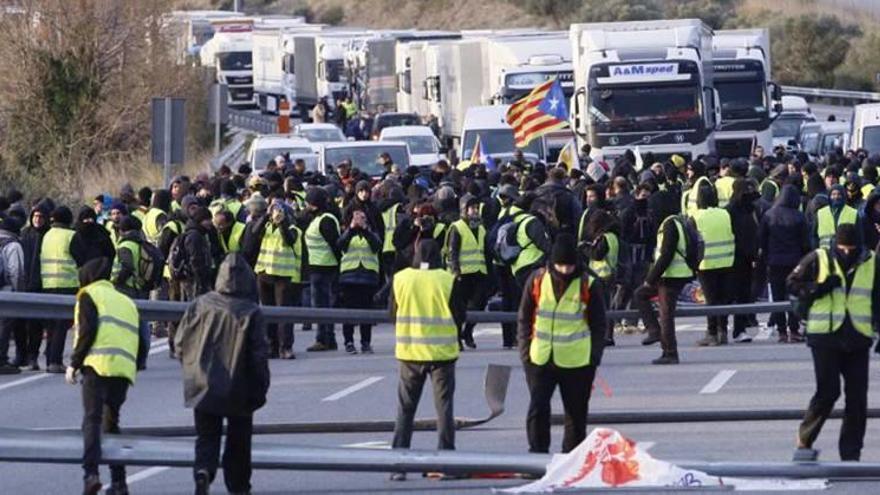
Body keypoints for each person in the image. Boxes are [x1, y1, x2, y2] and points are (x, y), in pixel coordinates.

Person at [175, 254, 270, 495]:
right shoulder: (251, 311)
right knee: (239, 441)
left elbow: (180, 342)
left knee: (206, 437)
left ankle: (203, 470)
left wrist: (192, 367)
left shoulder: (200, 304)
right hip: (239, 386)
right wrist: (260, 389)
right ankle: (238, 486)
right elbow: (258, 355)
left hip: (202, 382)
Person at [788, 224, 879, 462]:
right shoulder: (818, 258)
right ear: (835, 245)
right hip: (825, 336)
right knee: (828, 391)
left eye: (852, 249)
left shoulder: (871, 261)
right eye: (842, 249)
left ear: (859, 246)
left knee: (857, 398)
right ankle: (804, 441)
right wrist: (817, 288)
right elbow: (792, 284)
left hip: (858, 336)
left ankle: (851, 454)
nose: (847, 253)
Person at [517, 233, 606, 454]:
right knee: (537, 409)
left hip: (578, 362)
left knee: (575, 414)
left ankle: (572, 458)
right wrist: (525, 354)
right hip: (540, 359)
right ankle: (537, 455)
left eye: (569, 266)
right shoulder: (537, 280)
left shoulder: (588, 284)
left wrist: (594, 357)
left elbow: (599, 325)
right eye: (560, 265)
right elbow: (524, 317)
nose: (565, 270)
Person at [66, 257, 146, 495]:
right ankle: (120, 482)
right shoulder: (125, 301)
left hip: (97, 366)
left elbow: (87, 331)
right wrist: (136, 364)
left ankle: (91, 475)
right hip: (122, 370)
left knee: (92, 419)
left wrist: (74, 363)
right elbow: (142, 337)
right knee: (111, 423)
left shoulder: (88, 295)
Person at [388, 240, 465, 481]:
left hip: (410, 352)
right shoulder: (447, 279)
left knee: (405, 409)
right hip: (442, 355)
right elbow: (459, 314)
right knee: (444, 410)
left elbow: (392, 313)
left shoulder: (400, 278)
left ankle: (397, 465)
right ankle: (446, 462)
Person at [635, 213, 694, 365]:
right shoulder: (678, 221)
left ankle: (670, 352)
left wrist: (650, 279)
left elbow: (666, 254)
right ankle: (654, 331)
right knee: (640, 295)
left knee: (666, 314)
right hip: (677, 273)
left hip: (671, 275)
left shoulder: (669, 224)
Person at [760, 184, 811, 343]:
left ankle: (782, 331)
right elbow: (805, 243)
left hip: (775, 261)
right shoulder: (799, 216)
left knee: (777, 297)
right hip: (795, 262)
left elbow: (762, 239)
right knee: (794, 296)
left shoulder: (769, 215)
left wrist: (766, 257)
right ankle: (794, 330)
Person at [254, 200, 301, 359]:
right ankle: (270, 345)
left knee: (283, 314)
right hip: (264, 273)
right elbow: (254, 232)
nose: (276, 215)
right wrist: (266, 216)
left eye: (279, 212)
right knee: (267, 313)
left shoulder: (293, 228)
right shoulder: (267, 226)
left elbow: (289, 240)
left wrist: (282, 223)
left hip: (283, 275)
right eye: (274, 212)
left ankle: (285, 347)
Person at [691, 181, 735, 346]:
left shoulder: (696, 216)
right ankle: (723, 331)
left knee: (711, 300)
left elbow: (692, 241)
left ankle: (711, 332)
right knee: (723, 299)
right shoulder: (725, 214)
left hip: (706, 263)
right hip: (726, 260)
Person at [446, 195, 490, 349]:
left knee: (478, 305)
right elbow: (452, 251)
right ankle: (457, 337)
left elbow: (485, 250)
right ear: (464, 210)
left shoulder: (481, 227)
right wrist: (455, 270)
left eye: (477, 208)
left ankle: (468, 332)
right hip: (462, 274)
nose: (475, 211)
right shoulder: (457, 227)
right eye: (472, 208)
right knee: (459, 308)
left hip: (479, 272)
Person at [41, 206, 80, 372]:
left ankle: (50, 358)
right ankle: (56, 361)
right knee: (61, 326)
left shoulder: (47, 235)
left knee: (51, 325)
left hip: (48, 284)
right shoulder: (72, 236)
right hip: (68, 285)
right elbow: (80, 258)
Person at [338, 208, 381, 354]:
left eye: (362, 218)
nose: (359, 221)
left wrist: (365, 230)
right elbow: (340, 245)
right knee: (348, 313)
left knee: (366, 313)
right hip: (349, 277)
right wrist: (351, 229)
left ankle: (366, 342)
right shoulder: (348, 234)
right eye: (356, 218)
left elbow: (376, 246)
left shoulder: (372, 234)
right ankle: (349, 342)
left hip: (367, 277)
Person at [304, 188, 341, 352]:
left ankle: (323, 339)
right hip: (319, 267)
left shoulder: (326, 220)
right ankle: (328, 338)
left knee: (321, 306)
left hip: (324, 268)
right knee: (322, 305)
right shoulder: (317, 218)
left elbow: (335, 245)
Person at [0, 214, 24, 374]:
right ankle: (1, 360)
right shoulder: (13, 245)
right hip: (6, 290)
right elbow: (16, 271)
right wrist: (19, 295)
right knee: (3, 327)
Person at [814, 184, 859, 250]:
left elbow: (860, 237)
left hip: (846, 253)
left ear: (843, 196)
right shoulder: (820, 213)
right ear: (829, 196)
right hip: (825, 253)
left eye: (839, 194)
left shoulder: (853, 213)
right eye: (833, 194)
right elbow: (814, 236)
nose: (836, 197)